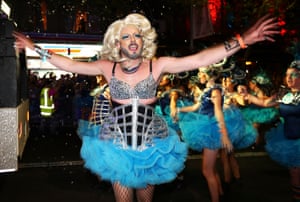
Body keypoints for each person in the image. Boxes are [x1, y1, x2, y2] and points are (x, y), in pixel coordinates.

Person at [14, 13, 279, 202]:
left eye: (137, 36)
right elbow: (70, 65)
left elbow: (201, 58)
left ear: (143, 42)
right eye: (125, 36)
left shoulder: (158, 65)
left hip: (152, 146)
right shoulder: (108, 67)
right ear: (118, 44)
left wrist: (243, 40)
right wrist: (35, 48)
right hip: (115, 145)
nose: (132, 40)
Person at [238, 60, 300, 202]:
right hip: (290, 140)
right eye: (287, 75)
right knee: (295, 173)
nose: (289, 78)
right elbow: (264, 103)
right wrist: (247, 95)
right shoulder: (284, 94)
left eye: (294, 75)